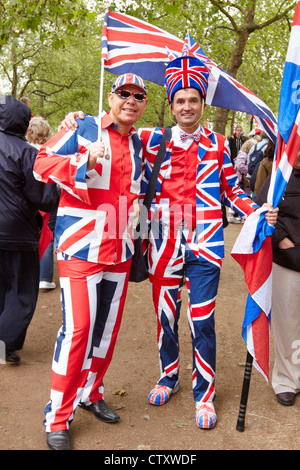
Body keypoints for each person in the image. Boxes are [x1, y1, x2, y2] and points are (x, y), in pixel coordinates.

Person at [62, 56, 278, 431]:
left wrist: (257, 211)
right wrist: (79, 119)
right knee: (165, 318)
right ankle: (169, 375)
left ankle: (204, 393)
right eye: (180, 100)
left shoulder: (220, 143)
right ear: (172, 105)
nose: (187, 107)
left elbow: (231, 190)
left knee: (202, 321)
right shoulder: (150, 139)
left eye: (193, 100)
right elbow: (113, 129)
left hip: (205, 244)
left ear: (202, 105)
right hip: (161, 242)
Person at [33, 73, 148, 450]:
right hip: (81, 247)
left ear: (144, 104)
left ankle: (90, 391)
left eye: (139, 96)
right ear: (112, 97)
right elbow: (40, 163)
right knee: (78, 330)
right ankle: (58, 415)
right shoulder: (81, 126)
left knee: (105, 331)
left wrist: (137, 209)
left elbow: (135, 189)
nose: (131, 99)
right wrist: (82, 160)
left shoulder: (139, 144)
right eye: (124, 93)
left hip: (119, 249)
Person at [0, 96, 58, 364]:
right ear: (24, 122)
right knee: (21, 291)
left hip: (12, 230)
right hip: (17, 232)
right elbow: (44, 198)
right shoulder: (28, 154)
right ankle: (5, 345)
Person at [256, 148, 300, 407]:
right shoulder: (279, 176)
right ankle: (286, 380)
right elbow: (262, 211)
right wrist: (282, 240)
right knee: (288, 323)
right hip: (288, 260)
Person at [26, 117, 58, 290]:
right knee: (48, 232)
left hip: (28, 198)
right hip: (49, 195)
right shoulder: (51, 150)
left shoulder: (24, 150)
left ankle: (28, 274)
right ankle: (44, 276)